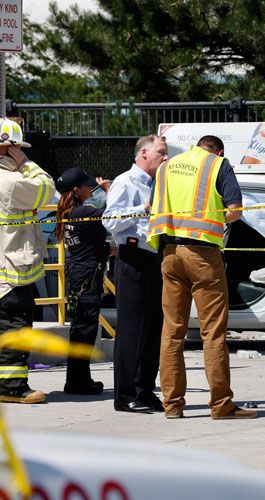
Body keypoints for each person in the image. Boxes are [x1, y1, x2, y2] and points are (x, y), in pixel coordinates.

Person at [148, 135, 255, 420]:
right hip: (204, 256)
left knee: (171, 332)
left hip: (170, 253)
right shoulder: (219, 165)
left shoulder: (167, 167)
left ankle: (172, 406)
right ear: (218, 151)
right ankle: (221, 405)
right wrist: (215, 218)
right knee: (213, 333)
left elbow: (151, 208)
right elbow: (234, 212)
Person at [103, 134, 168, 414]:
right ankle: (124, 394)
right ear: (144, 153)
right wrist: (142, 209)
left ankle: (145, 389)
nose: (165, 158)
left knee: (153, 330)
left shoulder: (160, 184)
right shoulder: (125, 182)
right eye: (161, 152)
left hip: (155, 259)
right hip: (132, 258)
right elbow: (109, 221)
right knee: (131, 330)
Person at [0, 118, 55, 404]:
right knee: (15, 327)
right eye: (17, 148)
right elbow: (49, 191)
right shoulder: (12, 181)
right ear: (9, 149)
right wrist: (28, 164)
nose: (20, 152)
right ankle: (11, 387)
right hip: (11, 272)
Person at [55, 168, 111, 395]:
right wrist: (109, 191)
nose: (93, 189)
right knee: (84, 329)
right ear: (77, 190)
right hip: (87, 276)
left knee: (81, 329)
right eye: (89, 186)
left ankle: (78, 379)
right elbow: (108, 216)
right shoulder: (83, 212)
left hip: (79, 273)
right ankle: (78, 382)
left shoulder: (69, 211)